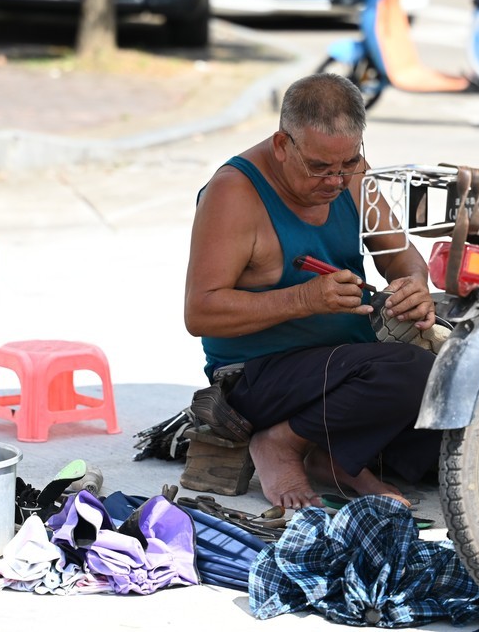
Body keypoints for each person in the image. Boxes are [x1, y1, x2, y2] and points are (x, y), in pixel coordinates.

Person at [183, 72, 441, 510]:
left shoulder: (351, 173)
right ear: (283, 145)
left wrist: (415, 285)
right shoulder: (235, 192)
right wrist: (303, 299)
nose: (334, 181)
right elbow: (200, 312)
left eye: (347, 165)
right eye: (319, 168)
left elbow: (401, 255)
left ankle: (331, 456)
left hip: (349, 367)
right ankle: (280, 442)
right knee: (411, 372)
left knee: (451, 421)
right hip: (259, 375)